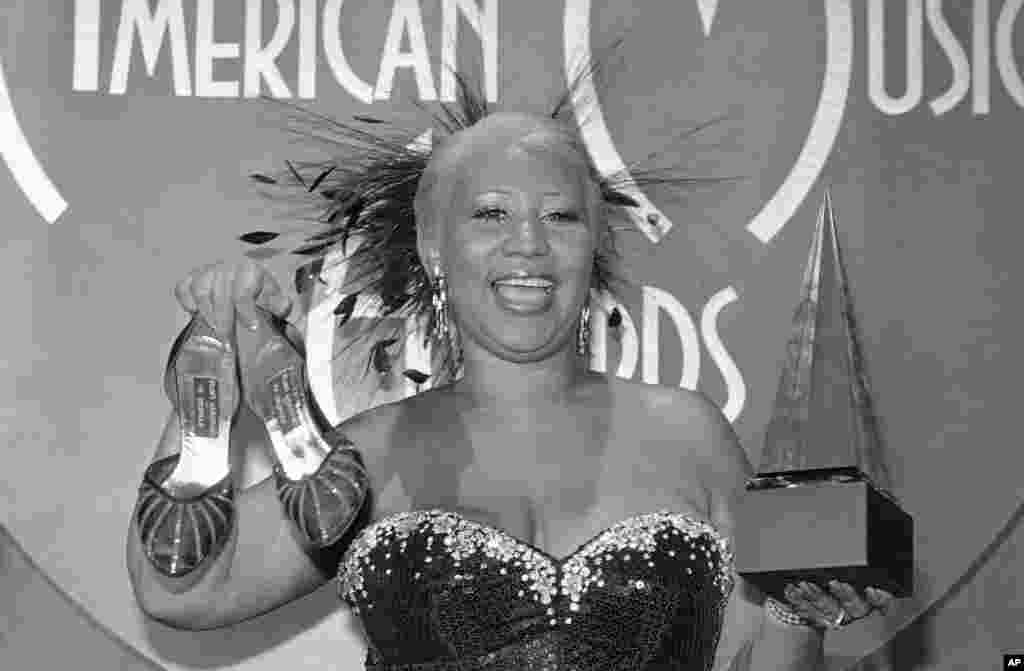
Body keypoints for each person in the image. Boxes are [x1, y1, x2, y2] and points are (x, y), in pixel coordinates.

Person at [126, 92, 895, 670]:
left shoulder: (690, 435)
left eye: (561, 217)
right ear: (434, 247)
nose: (529, 244)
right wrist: (216, 358)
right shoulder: (364, 459)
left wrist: (808, 608)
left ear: (594, 245)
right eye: (490, 214)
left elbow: (762, 652)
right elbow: (183, 589)